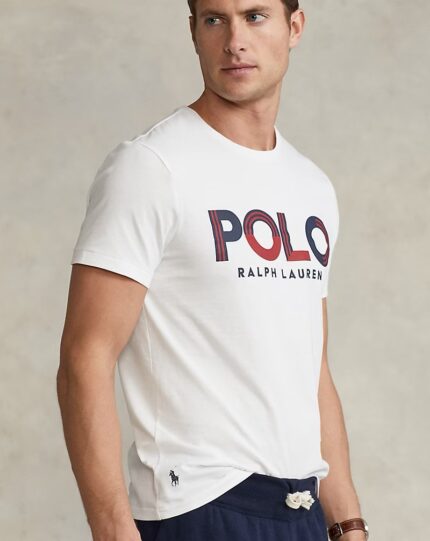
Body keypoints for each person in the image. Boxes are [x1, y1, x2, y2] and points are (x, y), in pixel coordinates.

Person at [57, 1, 369, 540]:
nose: (234, 41)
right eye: (214, 19)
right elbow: (85, 357)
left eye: (254, 16)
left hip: (302, 510)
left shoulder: (311, 186)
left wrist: (348, 523)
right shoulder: (151, 167)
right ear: (194, 32)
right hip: (198, 507)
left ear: (294, 27)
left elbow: (311, 366)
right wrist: (113, 530)